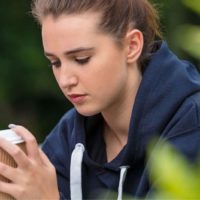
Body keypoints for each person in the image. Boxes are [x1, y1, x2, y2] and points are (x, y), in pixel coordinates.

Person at [0, 0, 200, 199]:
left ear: (131, 46)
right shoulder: (71, 133)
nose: (65, 80)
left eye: (81, 59)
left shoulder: (191, 122)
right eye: (55, 62)